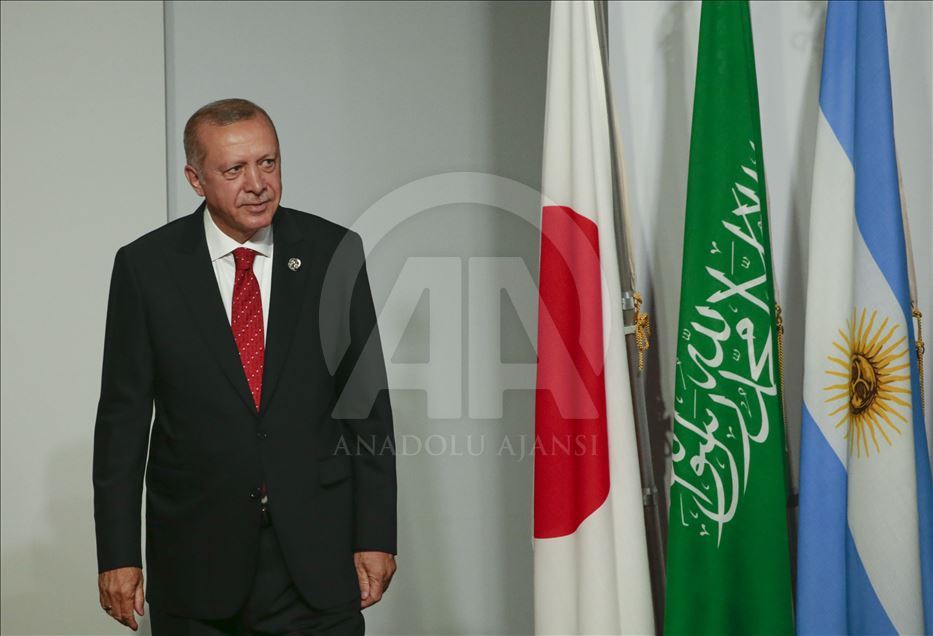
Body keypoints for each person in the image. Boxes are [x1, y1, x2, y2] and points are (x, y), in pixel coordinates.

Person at [93, 98, 397, 635]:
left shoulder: (332, 252)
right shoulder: (146, 267)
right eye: (234, 170)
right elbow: (123, 421)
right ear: (195, 179)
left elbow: (365, 405)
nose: (257, 184)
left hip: (316, 558)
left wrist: (375, 535)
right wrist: (118, 554)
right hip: (196, 559)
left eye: (268, 163)